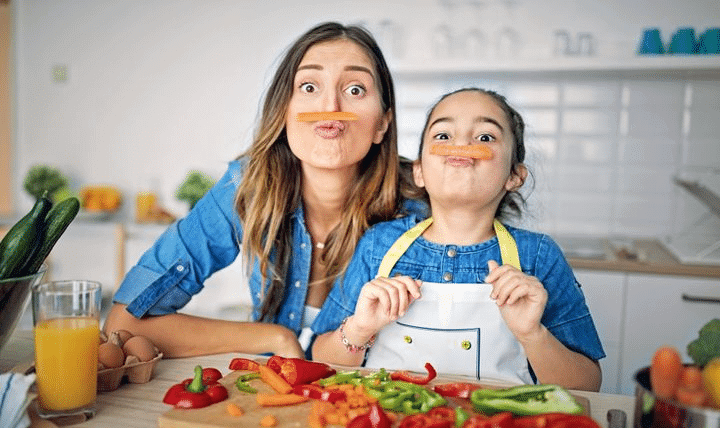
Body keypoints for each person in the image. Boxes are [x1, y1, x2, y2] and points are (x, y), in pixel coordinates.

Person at [104, 22, 422, 358]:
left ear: (382, 124)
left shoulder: (420, 201)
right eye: (310, 86)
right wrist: (275, 339)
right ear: (284, 113)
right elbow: (125, 323)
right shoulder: (247, 185)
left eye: (355, 89)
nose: (330, 106)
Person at [310, 87, 604, 391]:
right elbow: (320, 358)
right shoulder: (378, 245)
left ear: (514, 176)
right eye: (443, 136)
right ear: (420, 172)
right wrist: (359, 329)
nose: (461, 145)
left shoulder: (539, 256)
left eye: (485, 137)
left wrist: (533, 334)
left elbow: (588, 385)